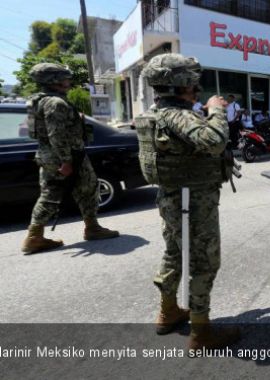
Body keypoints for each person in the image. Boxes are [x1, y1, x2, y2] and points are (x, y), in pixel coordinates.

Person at [135, 53, 240, 349]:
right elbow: (214, 141)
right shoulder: (177, 114)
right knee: (204, 262)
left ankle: (168, 312)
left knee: (174, 253)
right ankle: (201, 332)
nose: (197, 87)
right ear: (182, 82)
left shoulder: (155, 112)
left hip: (172, 197)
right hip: (193, 201)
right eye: (192, 81)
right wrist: (217, 110)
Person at [21, 63, 119, 255]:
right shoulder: (55, 103)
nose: (68, 81)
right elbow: (56, 134)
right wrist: (66, 161)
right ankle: (91, 229)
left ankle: (35, 236)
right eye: (64, 77)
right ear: (54, 81)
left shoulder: (41, 101)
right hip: (67, 155)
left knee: (54, 193)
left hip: (50, 154)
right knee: (86, 189)